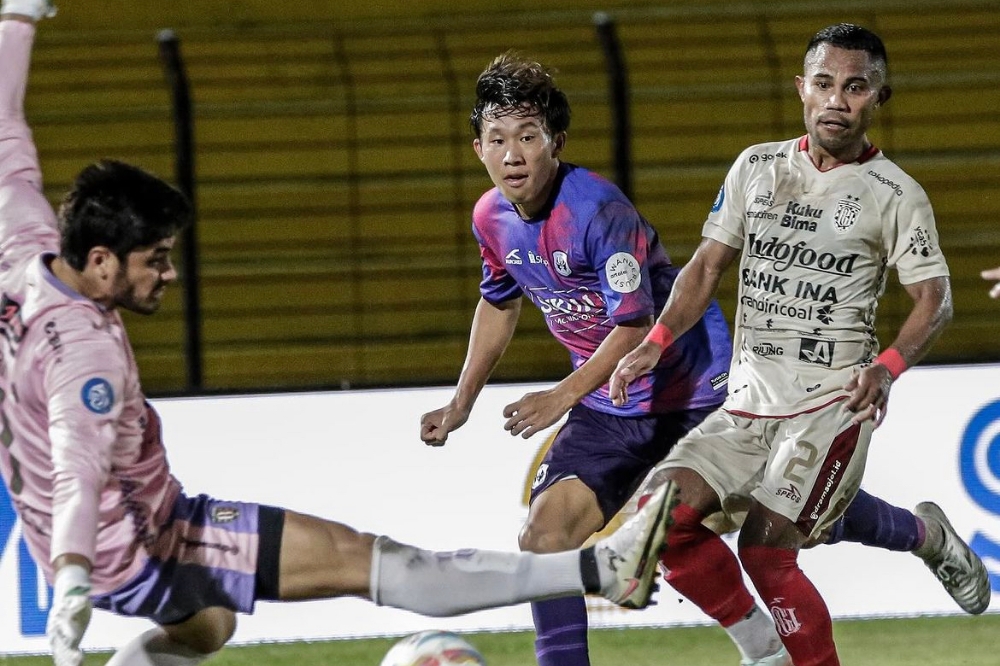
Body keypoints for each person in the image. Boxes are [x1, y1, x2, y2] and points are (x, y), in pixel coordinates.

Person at [0, 6, 680, 666]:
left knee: (209, 623)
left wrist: (18, 21)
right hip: (143, 542)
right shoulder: (83, 355)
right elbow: (77, 463)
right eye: (154, 260)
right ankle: (600, 568)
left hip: (127, 525)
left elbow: (7, 138)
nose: (169, 275)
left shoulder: (23, 248)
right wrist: (74, 577)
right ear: (100, 261)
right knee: (374, 563)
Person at [419, 50, 982, 666]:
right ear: (477, 148)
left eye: (528, 137)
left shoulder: (596, 212)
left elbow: (632, 324)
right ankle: (766, 644)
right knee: (546, 539)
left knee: (782, 519)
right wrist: (461, 402)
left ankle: (919, 538)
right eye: (497, 139)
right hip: (611, 403)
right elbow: (497, 301)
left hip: (694, 389)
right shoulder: (490, 218)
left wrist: (562, 395)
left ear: (556, 141)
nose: (513, 154)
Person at [609, 23, 991, 666]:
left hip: (832, 402)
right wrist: (657, 339)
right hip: (748, 402)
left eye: (856, 87)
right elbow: (706, 266)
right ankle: (771, 646)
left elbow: (935, 300)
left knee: (766, 547)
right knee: (655, 526)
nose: (837, 100)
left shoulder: (896, 194)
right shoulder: (756, 166)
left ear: (879, 98)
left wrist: (887, 368)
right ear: (801, 89)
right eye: (824, 84)